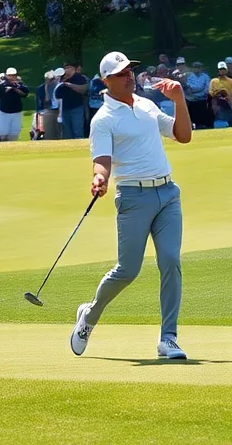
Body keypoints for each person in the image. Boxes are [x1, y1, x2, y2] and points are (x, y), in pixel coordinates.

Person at [69, 51, 192, 361]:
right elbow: (102, 161)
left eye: (130, 71)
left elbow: (182, 135)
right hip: (133, 198)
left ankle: (168, 339)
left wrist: (179, 101)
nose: (129, 77)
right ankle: (90, 315)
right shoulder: (103, 119)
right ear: (106, 81)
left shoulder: (147, 105)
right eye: (122, 73)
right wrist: (99, 178)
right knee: (127, 270)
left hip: (167, 193)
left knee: (170, 261)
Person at [57, 62, 89, 140]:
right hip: (65, 108)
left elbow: (83, 89)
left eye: (68, 68)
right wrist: (60, 82)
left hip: (77, 107)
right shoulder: (61, 78)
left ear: (74, 69)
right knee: (67, 131)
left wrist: (68, 84)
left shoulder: (79, 78)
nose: (66, 70)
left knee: (77, 130)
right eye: (65, 68)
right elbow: (57, 94)